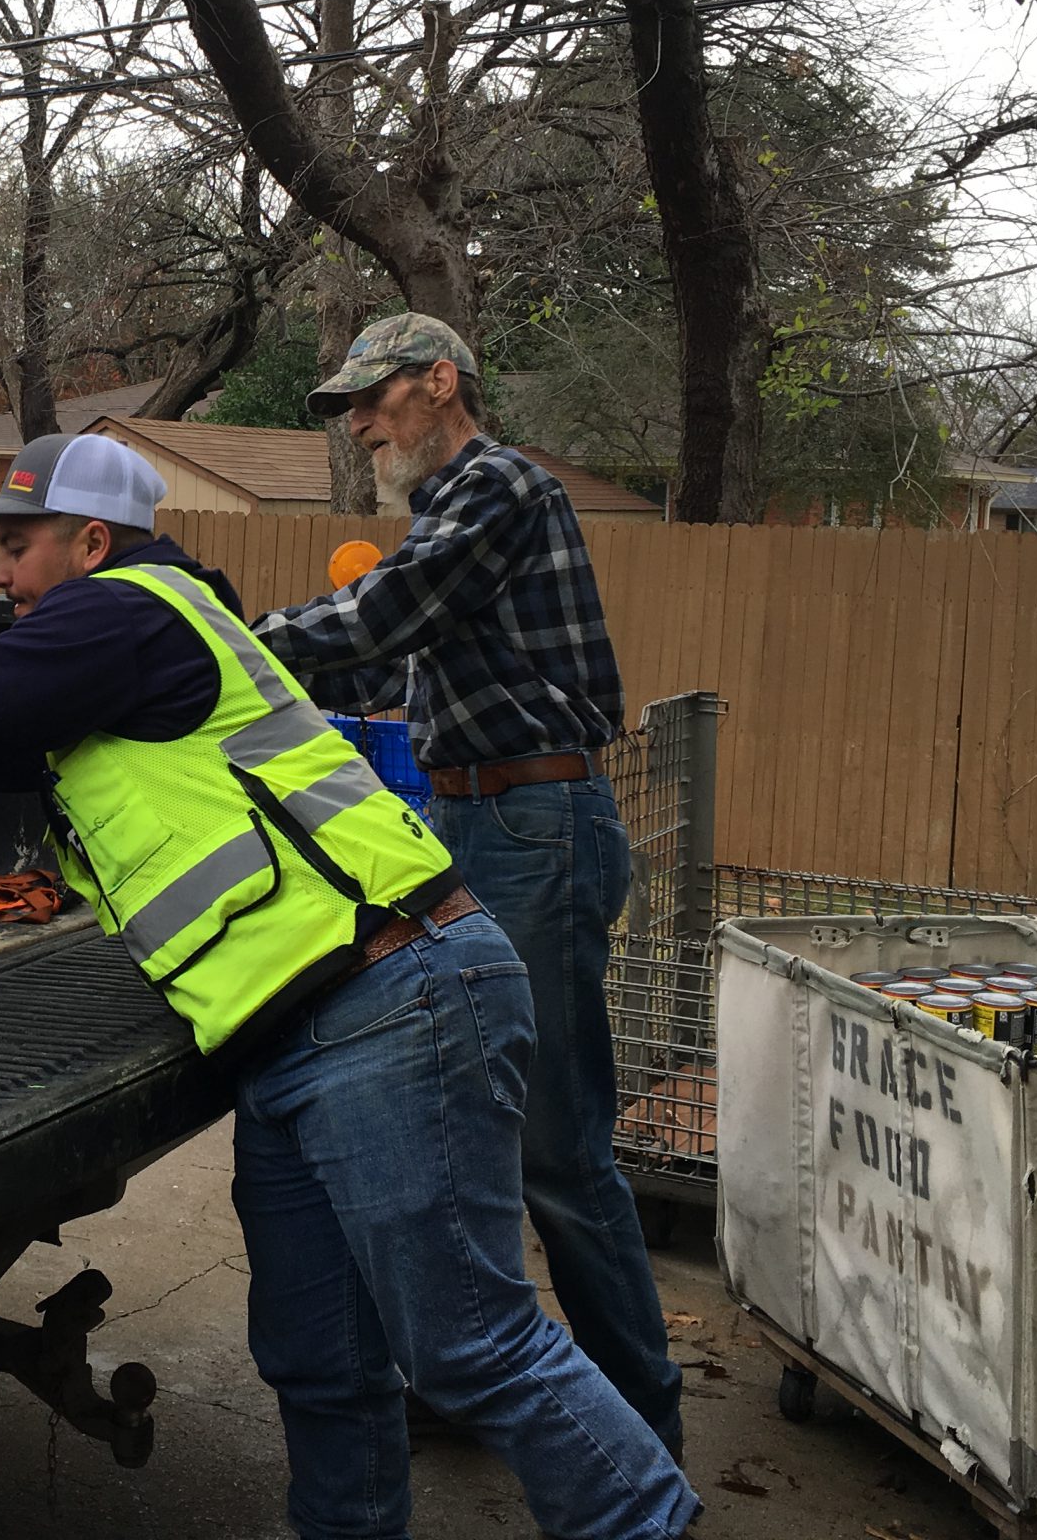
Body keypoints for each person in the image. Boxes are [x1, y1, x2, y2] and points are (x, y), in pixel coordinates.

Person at [0, 431, 697, 1540]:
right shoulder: (131, 644)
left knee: (470, 1345)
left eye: (16, 545)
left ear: (91, 543)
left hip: (387, 1001)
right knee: (319, 1358)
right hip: (295, 1034)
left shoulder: (128, 608)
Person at [249, 312, 684, 1459]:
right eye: (349, 406)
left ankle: (643, 1435)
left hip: (532, 826)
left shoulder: (500, 488)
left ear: (440, 382)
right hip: (473, 818)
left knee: (558, 1153)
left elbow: (384, 614)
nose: (358, 423)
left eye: (373, 397)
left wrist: (233, 644)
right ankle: (477, 1371)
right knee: (469, 1128)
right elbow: (396, 662)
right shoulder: (452, 516)